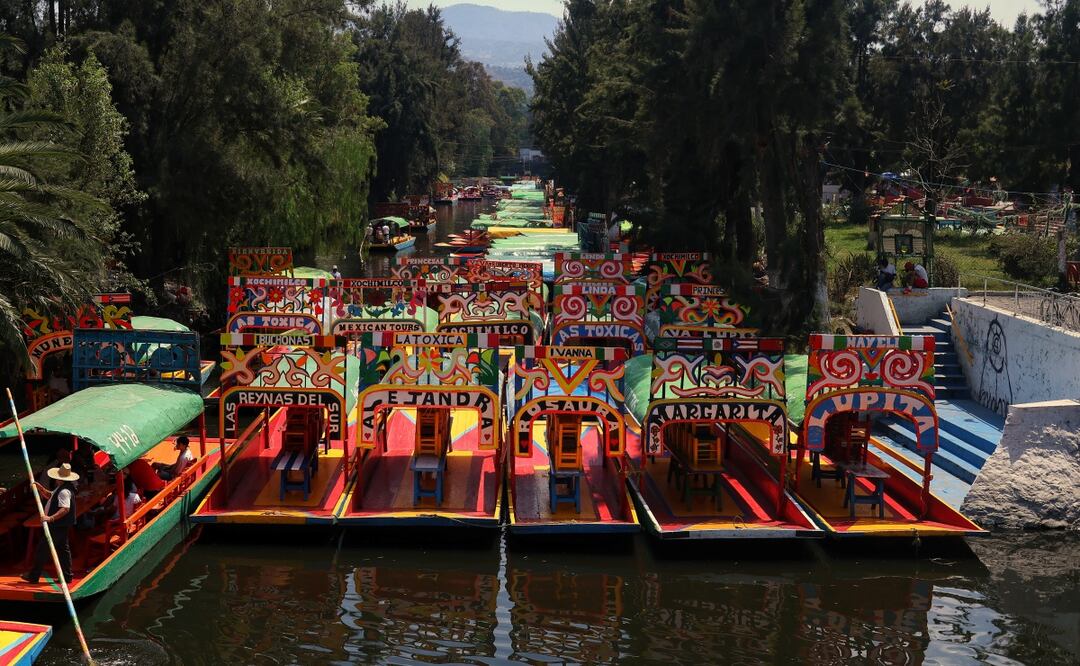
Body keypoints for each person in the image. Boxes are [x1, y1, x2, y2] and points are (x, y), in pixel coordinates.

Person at [21, 463, 79, 584]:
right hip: (61, 525)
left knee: (43, 549)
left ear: (60, 478)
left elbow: (65, 509)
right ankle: (67, 576)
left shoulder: (64, 491)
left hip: (57, 525)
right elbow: (50, 496)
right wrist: (40, 488)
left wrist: (50, 518)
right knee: (63, 550)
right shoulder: (61, 488)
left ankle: (34, 576)